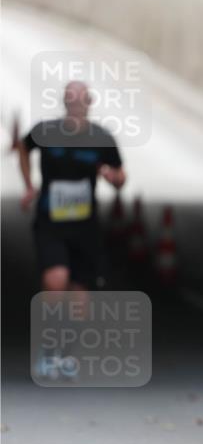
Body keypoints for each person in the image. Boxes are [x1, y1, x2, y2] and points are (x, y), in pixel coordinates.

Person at [18, 80, 126, 376]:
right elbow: (23, 148)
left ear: (90, 102)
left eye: (81, 98)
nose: (76, 103)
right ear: (65, 102)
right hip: (50, 222)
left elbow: (120, 175)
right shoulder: (47, 131)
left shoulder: (101, 137)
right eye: (70, 98)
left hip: (85, 228)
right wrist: (29, 186)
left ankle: (65, 354)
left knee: (79, 299)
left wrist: (111, 176)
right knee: (55, 281)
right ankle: (48, 350)